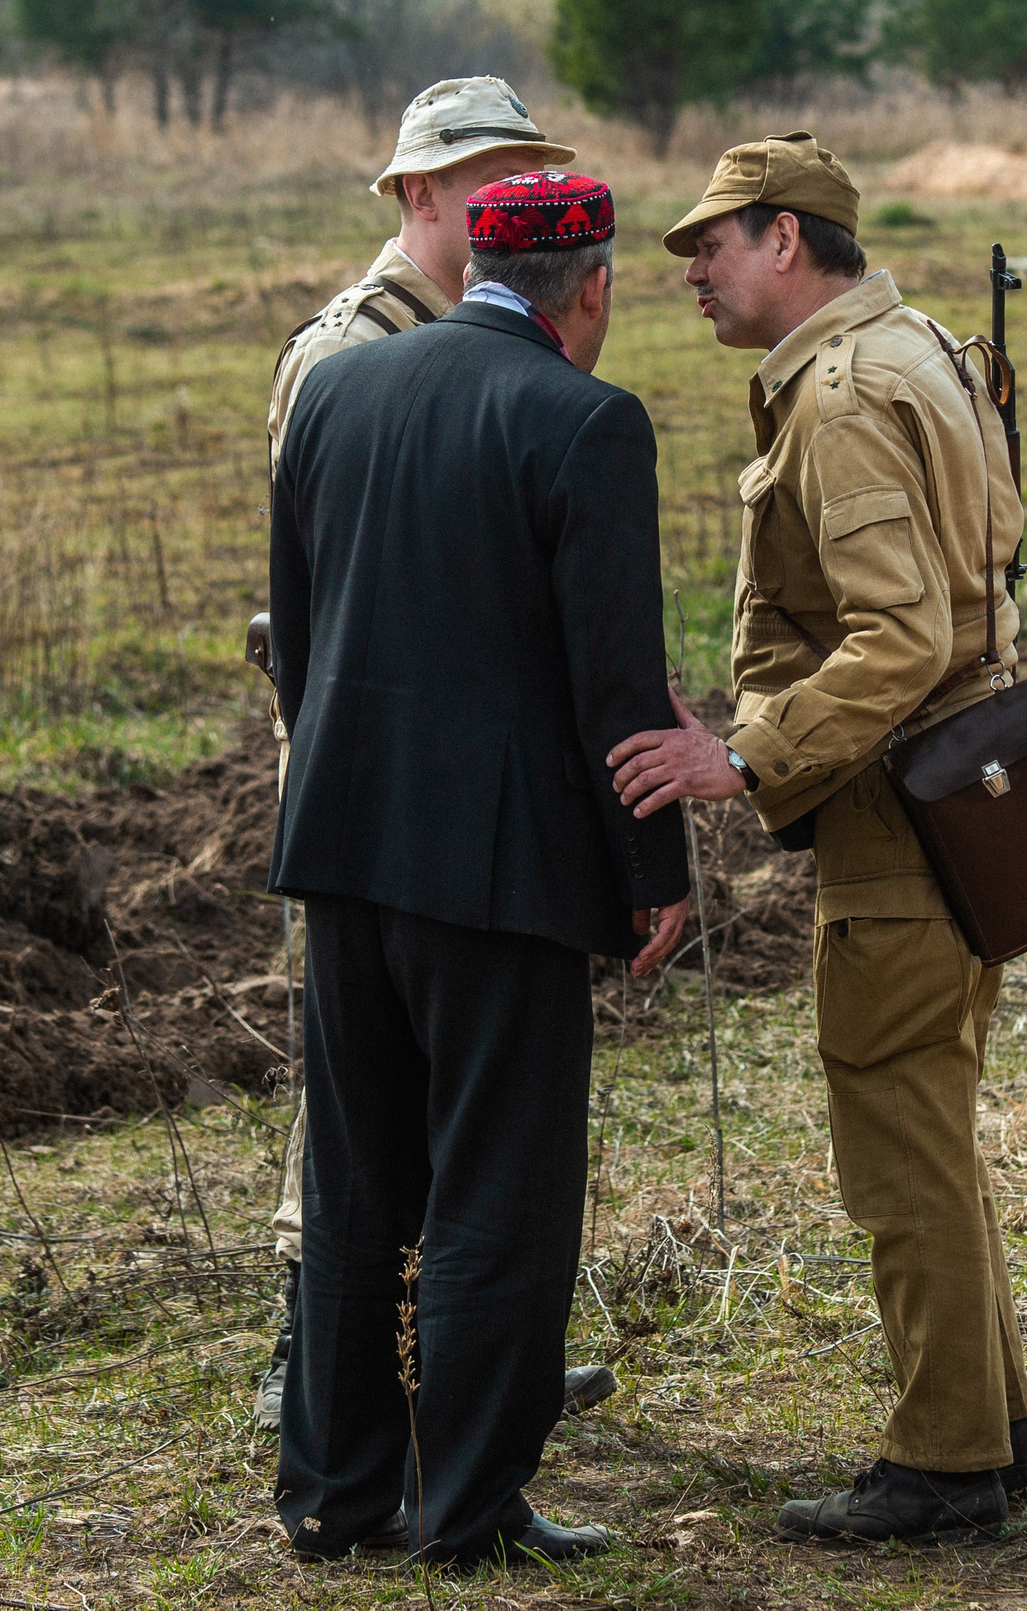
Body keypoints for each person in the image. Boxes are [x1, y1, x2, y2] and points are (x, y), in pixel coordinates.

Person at [610, 132, 1027, 1545]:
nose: (692, 271)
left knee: (900, 1142)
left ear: (788, 238)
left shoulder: (846, 390)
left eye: (713, 243)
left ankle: (943, 1461)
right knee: (936, 1124)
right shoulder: (917, 344)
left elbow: (903, 631)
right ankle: (994, 1422)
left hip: (899, 821)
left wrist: (745, 753)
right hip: (962, 793)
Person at [270, 171, 691, 1568]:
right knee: (498, 1192)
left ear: (475, 272)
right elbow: (621, 685)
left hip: (342, 848)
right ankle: (470, 1506)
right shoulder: (585, 420)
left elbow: (304, 621)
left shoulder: (335, 393)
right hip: (502, 874)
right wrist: (657, 869)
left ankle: (335, 1493)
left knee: (356, 1179)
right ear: (596, 286)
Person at [253, 75, 618, 1432]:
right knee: (361, 1124)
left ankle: (465, 1363)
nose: (507, 199)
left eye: (524, 174)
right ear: (415, 196)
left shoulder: (484, 335)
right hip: (382, 778)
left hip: (453, 777)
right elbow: (316, 592)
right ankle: (326, 1375)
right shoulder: (349, 349)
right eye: (482, 181)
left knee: (455, 1115)